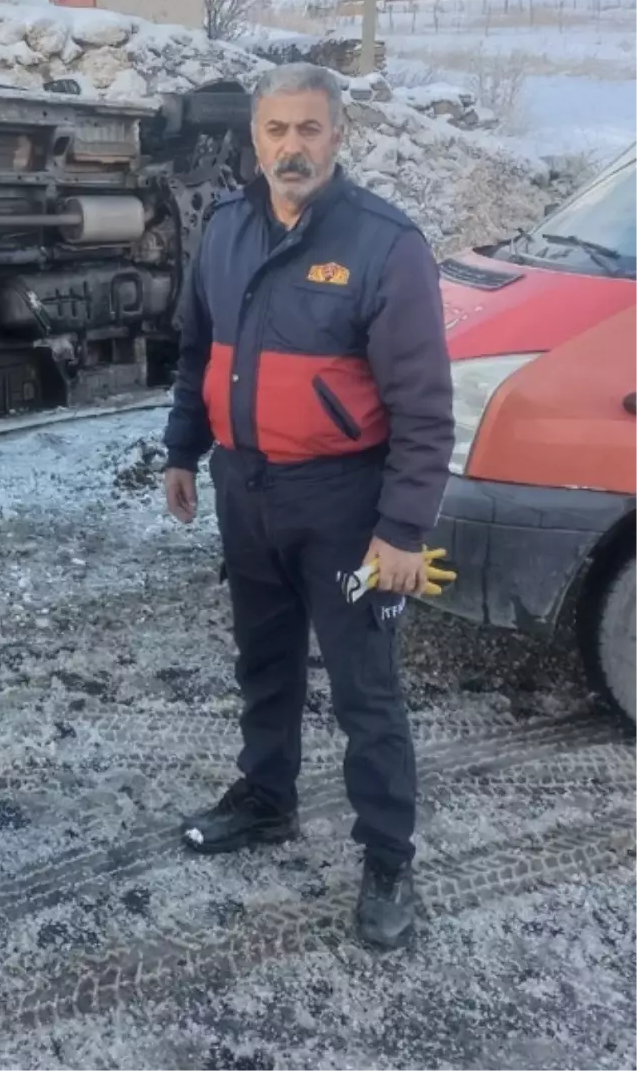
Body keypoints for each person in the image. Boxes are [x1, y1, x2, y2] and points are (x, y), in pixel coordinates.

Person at [163, 63, 454, 950]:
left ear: (339, 136)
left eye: (310, 130)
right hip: (244, 490)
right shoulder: (225, 226)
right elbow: (195, 348)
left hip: (343, 502)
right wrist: (183, 448)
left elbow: (424, 404)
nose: (292, 147)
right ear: (255, 137)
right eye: (277, 130)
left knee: (366, 688)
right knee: (266, 660)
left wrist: (401, 529)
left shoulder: (384, 244)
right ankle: (266, 796)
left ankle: (386, 856)